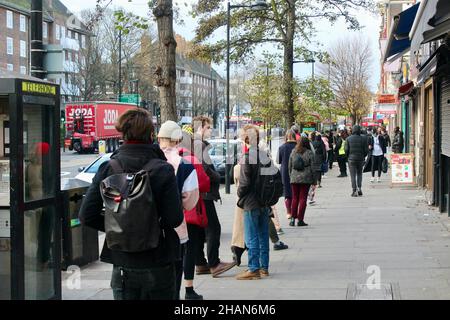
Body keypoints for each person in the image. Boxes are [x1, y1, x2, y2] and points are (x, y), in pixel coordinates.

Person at [79, 108, 183, 300]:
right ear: (151, 135)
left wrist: (118, 226)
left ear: (123, 134)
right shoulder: (163, 170)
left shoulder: (109, 168)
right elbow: (174, 219)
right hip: (158, 260)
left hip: (122, 262)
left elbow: (87, 215)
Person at [158, 121, 204, 300]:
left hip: (141, 230)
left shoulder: (148, 160)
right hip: (174, 229)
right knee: (173, 277)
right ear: (178, 140)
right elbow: (190, 200)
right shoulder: (184, 165)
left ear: (160, 138)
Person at [192, 116, 236, 277]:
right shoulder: (198, 145)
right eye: (209, 127)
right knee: (213, 228)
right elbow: (203, 169)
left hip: (197, 194)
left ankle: (200, 263)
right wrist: (217, 176)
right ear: (201, 128)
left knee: (198, 231)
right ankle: (214, 263)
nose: (211, 130)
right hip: (204, 194)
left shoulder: (195, 144)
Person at [236, 124, 271, 280]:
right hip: (264, 201)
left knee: (252, 236)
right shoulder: (265, 156)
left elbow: (244, 183)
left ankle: (253, 269)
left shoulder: (247, 157)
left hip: (250, 201)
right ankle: (264, 267)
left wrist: (239, 195)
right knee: (263, 235)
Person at [288, 136, 314, 227]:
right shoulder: (309, 153)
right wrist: (314, 181)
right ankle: (300, 220)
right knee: (303, 198)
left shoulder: (293, 152)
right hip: (306, 178)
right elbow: (313, 168)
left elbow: (290, 166)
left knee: (295, 198)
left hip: (294, 177)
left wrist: (291, 176)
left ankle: (292, 219)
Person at [276, 129, 298, 219]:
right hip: (296, 170)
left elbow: (278, 161)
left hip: (285, 172)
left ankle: (288, 212)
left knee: (287, 193)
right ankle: (295, 211)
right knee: (295, 192)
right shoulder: (298, 147)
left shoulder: (282, 147)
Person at [345, 125, 369, 197]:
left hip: (351, 159)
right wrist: (363, 156)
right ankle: (359, 188)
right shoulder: (363, 139)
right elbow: (366, 150)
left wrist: (348, 156)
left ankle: (354, 190)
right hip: (360, 159)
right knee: (359, 174)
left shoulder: (348, 139)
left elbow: (346, 150)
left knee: (352, 175)